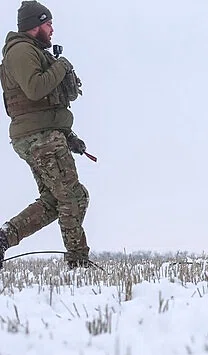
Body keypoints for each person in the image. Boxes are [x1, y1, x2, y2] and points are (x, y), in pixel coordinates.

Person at [0, 1, 90, 269]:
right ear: (34, 26)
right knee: (74, 196)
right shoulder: (21, 52)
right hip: (40, 138)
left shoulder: (32, 52)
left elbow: (45, 104)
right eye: (48, 24)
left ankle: (5, 237)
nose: (52, 29)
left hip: (43, 135)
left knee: (54, 201)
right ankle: (78, 262)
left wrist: (68, 135)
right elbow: (35, 89)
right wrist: (62, 66)